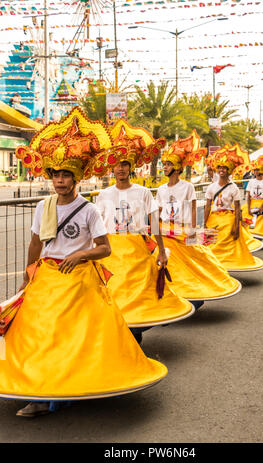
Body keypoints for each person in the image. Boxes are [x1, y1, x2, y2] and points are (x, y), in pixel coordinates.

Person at [0, 107, 167, 418]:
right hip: (47, 279)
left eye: (66, 175)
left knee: (75, 339)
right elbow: (35, 243)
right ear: (50, 177)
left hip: (79, 282)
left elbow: (104, 249)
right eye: (56, 175)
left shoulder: (89, 210)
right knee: (38, 334)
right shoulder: (43, 206)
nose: (61, 181)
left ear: (76, 178)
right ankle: (37, 390)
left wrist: (80, 254)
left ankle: (63, 391)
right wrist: (27, 277)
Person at [96, 120, 194, 342]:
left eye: (125, 164)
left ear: (131, 167)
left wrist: (161, 250)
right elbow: (99, 226)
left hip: (138, 251)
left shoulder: (142, 193)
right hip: (112, 252)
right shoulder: (104, 195)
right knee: (115, 293)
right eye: (117, 164)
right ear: (112, 167)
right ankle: (119, 335)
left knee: (138, 293)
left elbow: (155, 222)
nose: (121, 169)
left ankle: (135, 333)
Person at [156, 135, 241, 302]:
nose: (165, 167)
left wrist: (194, 231)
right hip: (166, 232)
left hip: (183, 230)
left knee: (195, 260)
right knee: (168, 263)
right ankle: (172, 293)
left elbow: (193, 209)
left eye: (168, 164)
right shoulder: (161, 189)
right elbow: (158, 211)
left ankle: (197, 290)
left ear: (178, 167)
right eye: (164, 164)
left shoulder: (187, 186)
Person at [204, 152, 263, 271]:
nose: (222, 170)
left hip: (228, 220)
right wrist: (204, 223)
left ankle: (227, 264)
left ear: (229, 171)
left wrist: (237, 226)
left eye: (225, 168)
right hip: (214, 219)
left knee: (228, 244)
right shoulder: (211, 187)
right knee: (211, 244)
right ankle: (213, 265)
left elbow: (237, 208)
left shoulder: (234, 188)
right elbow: (207, 206)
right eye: (220, 168)